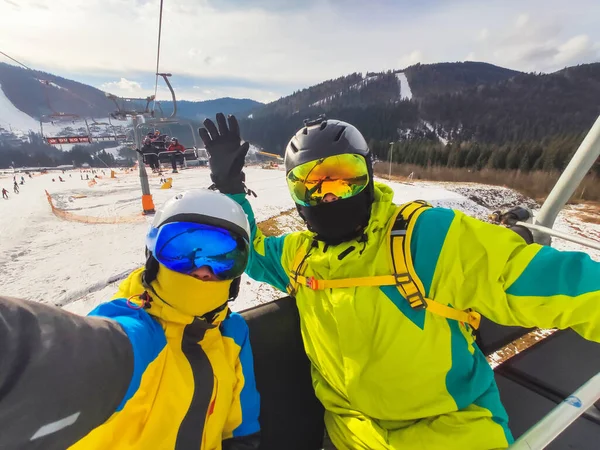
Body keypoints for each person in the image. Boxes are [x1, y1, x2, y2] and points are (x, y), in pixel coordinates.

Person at [200, 113, 600, 450]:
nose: (330, 197)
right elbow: (249, 252)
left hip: (450, 433)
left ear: (369, 176)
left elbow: (554, 283)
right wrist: (232, 191)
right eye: (312, 185)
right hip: (353, 436)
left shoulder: (425, 238)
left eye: (344, 178)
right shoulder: (298, 257)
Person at [0, 189, 260, 450]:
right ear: (153, 257)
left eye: (224, 259)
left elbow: (240, 430)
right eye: (181, 252)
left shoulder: (232, 333)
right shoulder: (138, 330)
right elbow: (76, 356)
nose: (203, 270)